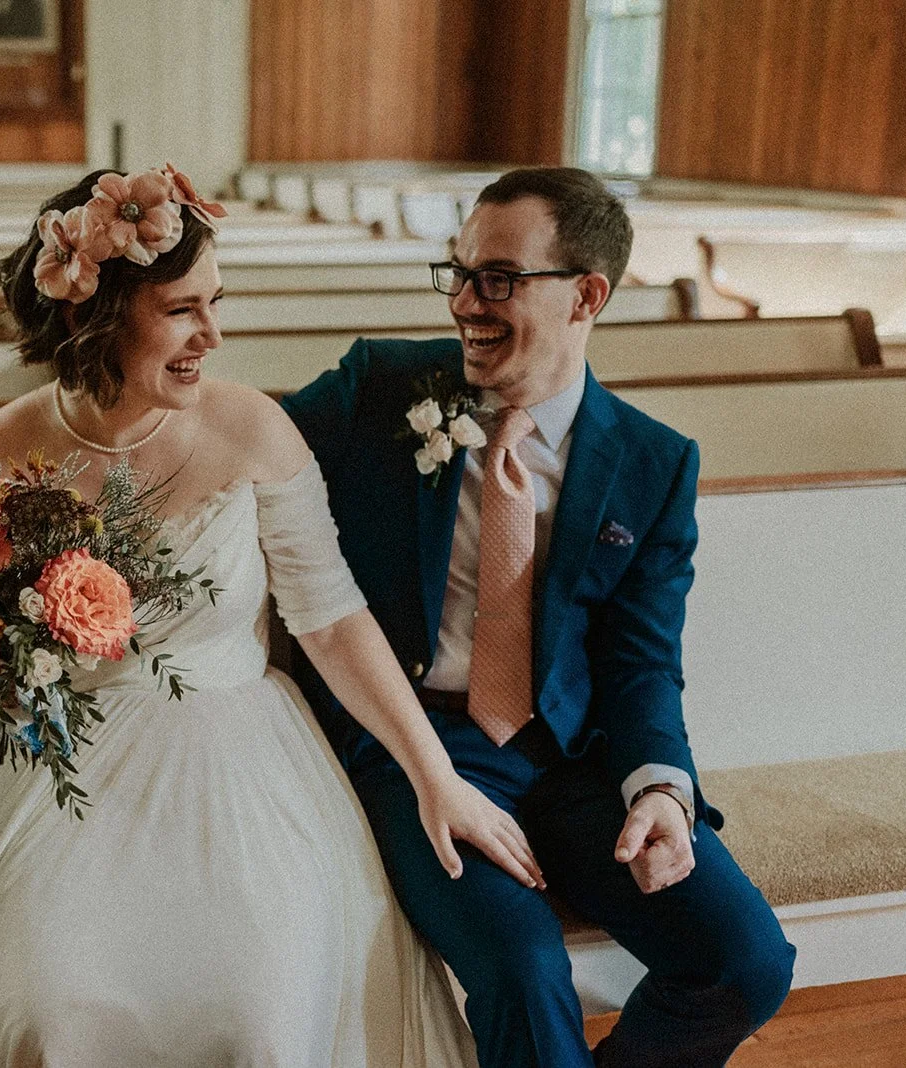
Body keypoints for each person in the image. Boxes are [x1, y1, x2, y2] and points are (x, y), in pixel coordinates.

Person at [0, 167, 541, 1065]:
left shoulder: (252, 430)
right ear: (99, 313)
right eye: (181, 310)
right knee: (50, 1012)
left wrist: (435, 776)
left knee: (259, 1016)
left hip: (245, 760)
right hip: (70, 774)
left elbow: (331, 620)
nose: (213, 334)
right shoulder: (0, 449)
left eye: (216, 303)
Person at [281, 167, 796, 1067]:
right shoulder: (378, 388)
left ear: (586, 295)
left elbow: (642, 664)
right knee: (522, 966)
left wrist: (663, 792)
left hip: (576, 761)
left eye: (500, 279)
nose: (467, 305)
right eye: (460, 273)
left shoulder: (654, 462)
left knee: (745, 962)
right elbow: (240, 450)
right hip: (420, 748)